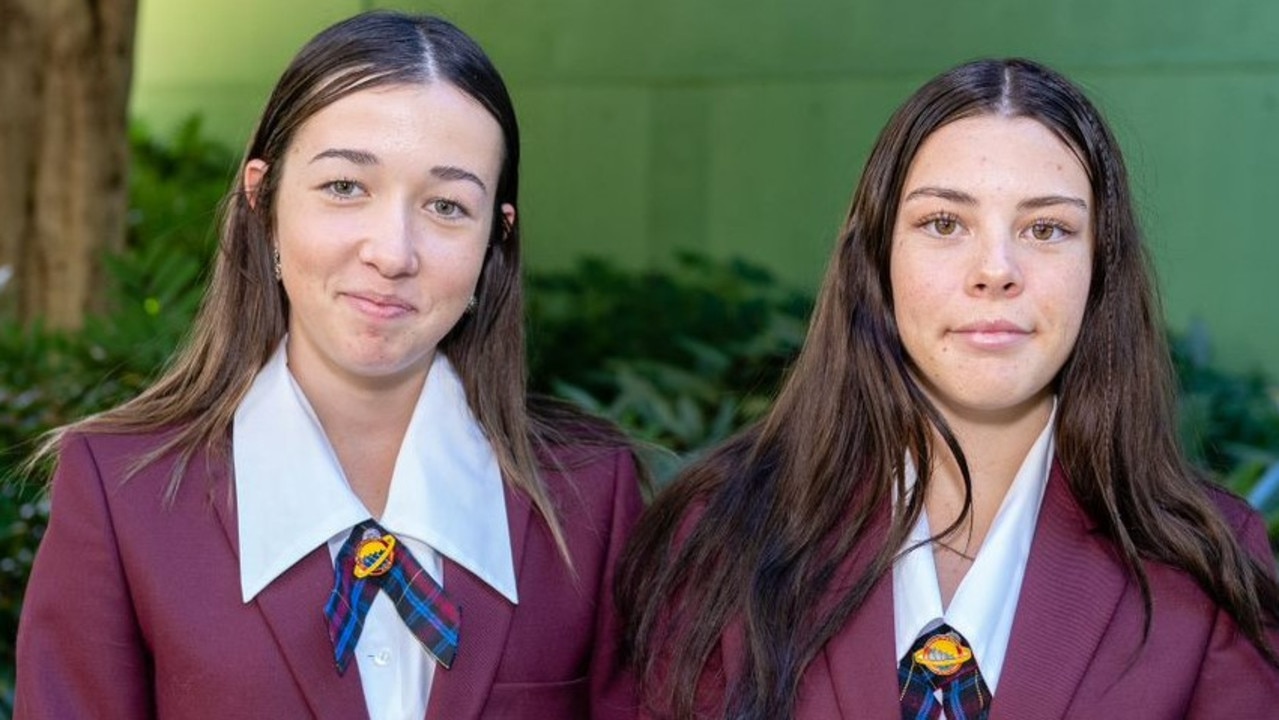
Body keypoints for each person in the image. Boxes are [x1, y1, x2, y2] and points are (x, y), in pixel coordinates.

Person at [16, 11, 642, 720]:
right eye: (345, 187)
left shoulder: (591, 495)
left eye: (446, 205)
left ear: (493, 240)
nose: (392, 252)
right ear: (262, 199)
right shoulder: (123, 491)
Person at [617, 57, 1279, 719]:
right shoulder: (722, 533)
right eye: (943, 224)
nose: (995, 270)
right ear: (876, 257)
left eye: (1044, 229)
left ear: (1099, 271)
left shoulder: (1206, 566)